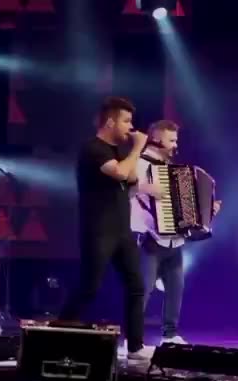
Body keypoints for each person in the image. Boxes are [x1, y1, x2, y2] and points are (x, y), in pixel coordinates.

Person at [59, 96, 150, 360]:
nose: (130, 127)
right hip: (99, 230)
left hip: (122, 230)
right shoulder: (93, 149)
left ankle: (135, 347)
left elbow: (131, 179)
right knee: (89, 286)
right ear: (110, 122)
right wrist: (138, 148)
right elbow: (120, 173)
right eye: (126, 121)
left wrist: (133, 156)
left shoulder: (118, 152)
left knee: (136, 285)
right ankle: (55, 335)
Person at [130, 120, 221, 344]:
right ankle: (133, 339)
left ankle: (169, 335)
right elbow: (123, 188)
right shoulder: (139, 163)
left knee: (175, 289)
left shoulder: (171, 168)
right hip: (149, 238)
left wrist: (206, 211)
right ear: (157, 139)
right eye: (171, 140)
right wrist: (145, 187)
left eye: (176, 140)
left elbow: (184, 207)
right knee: (143, 291)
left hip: (174, 240)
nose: (175, 145)